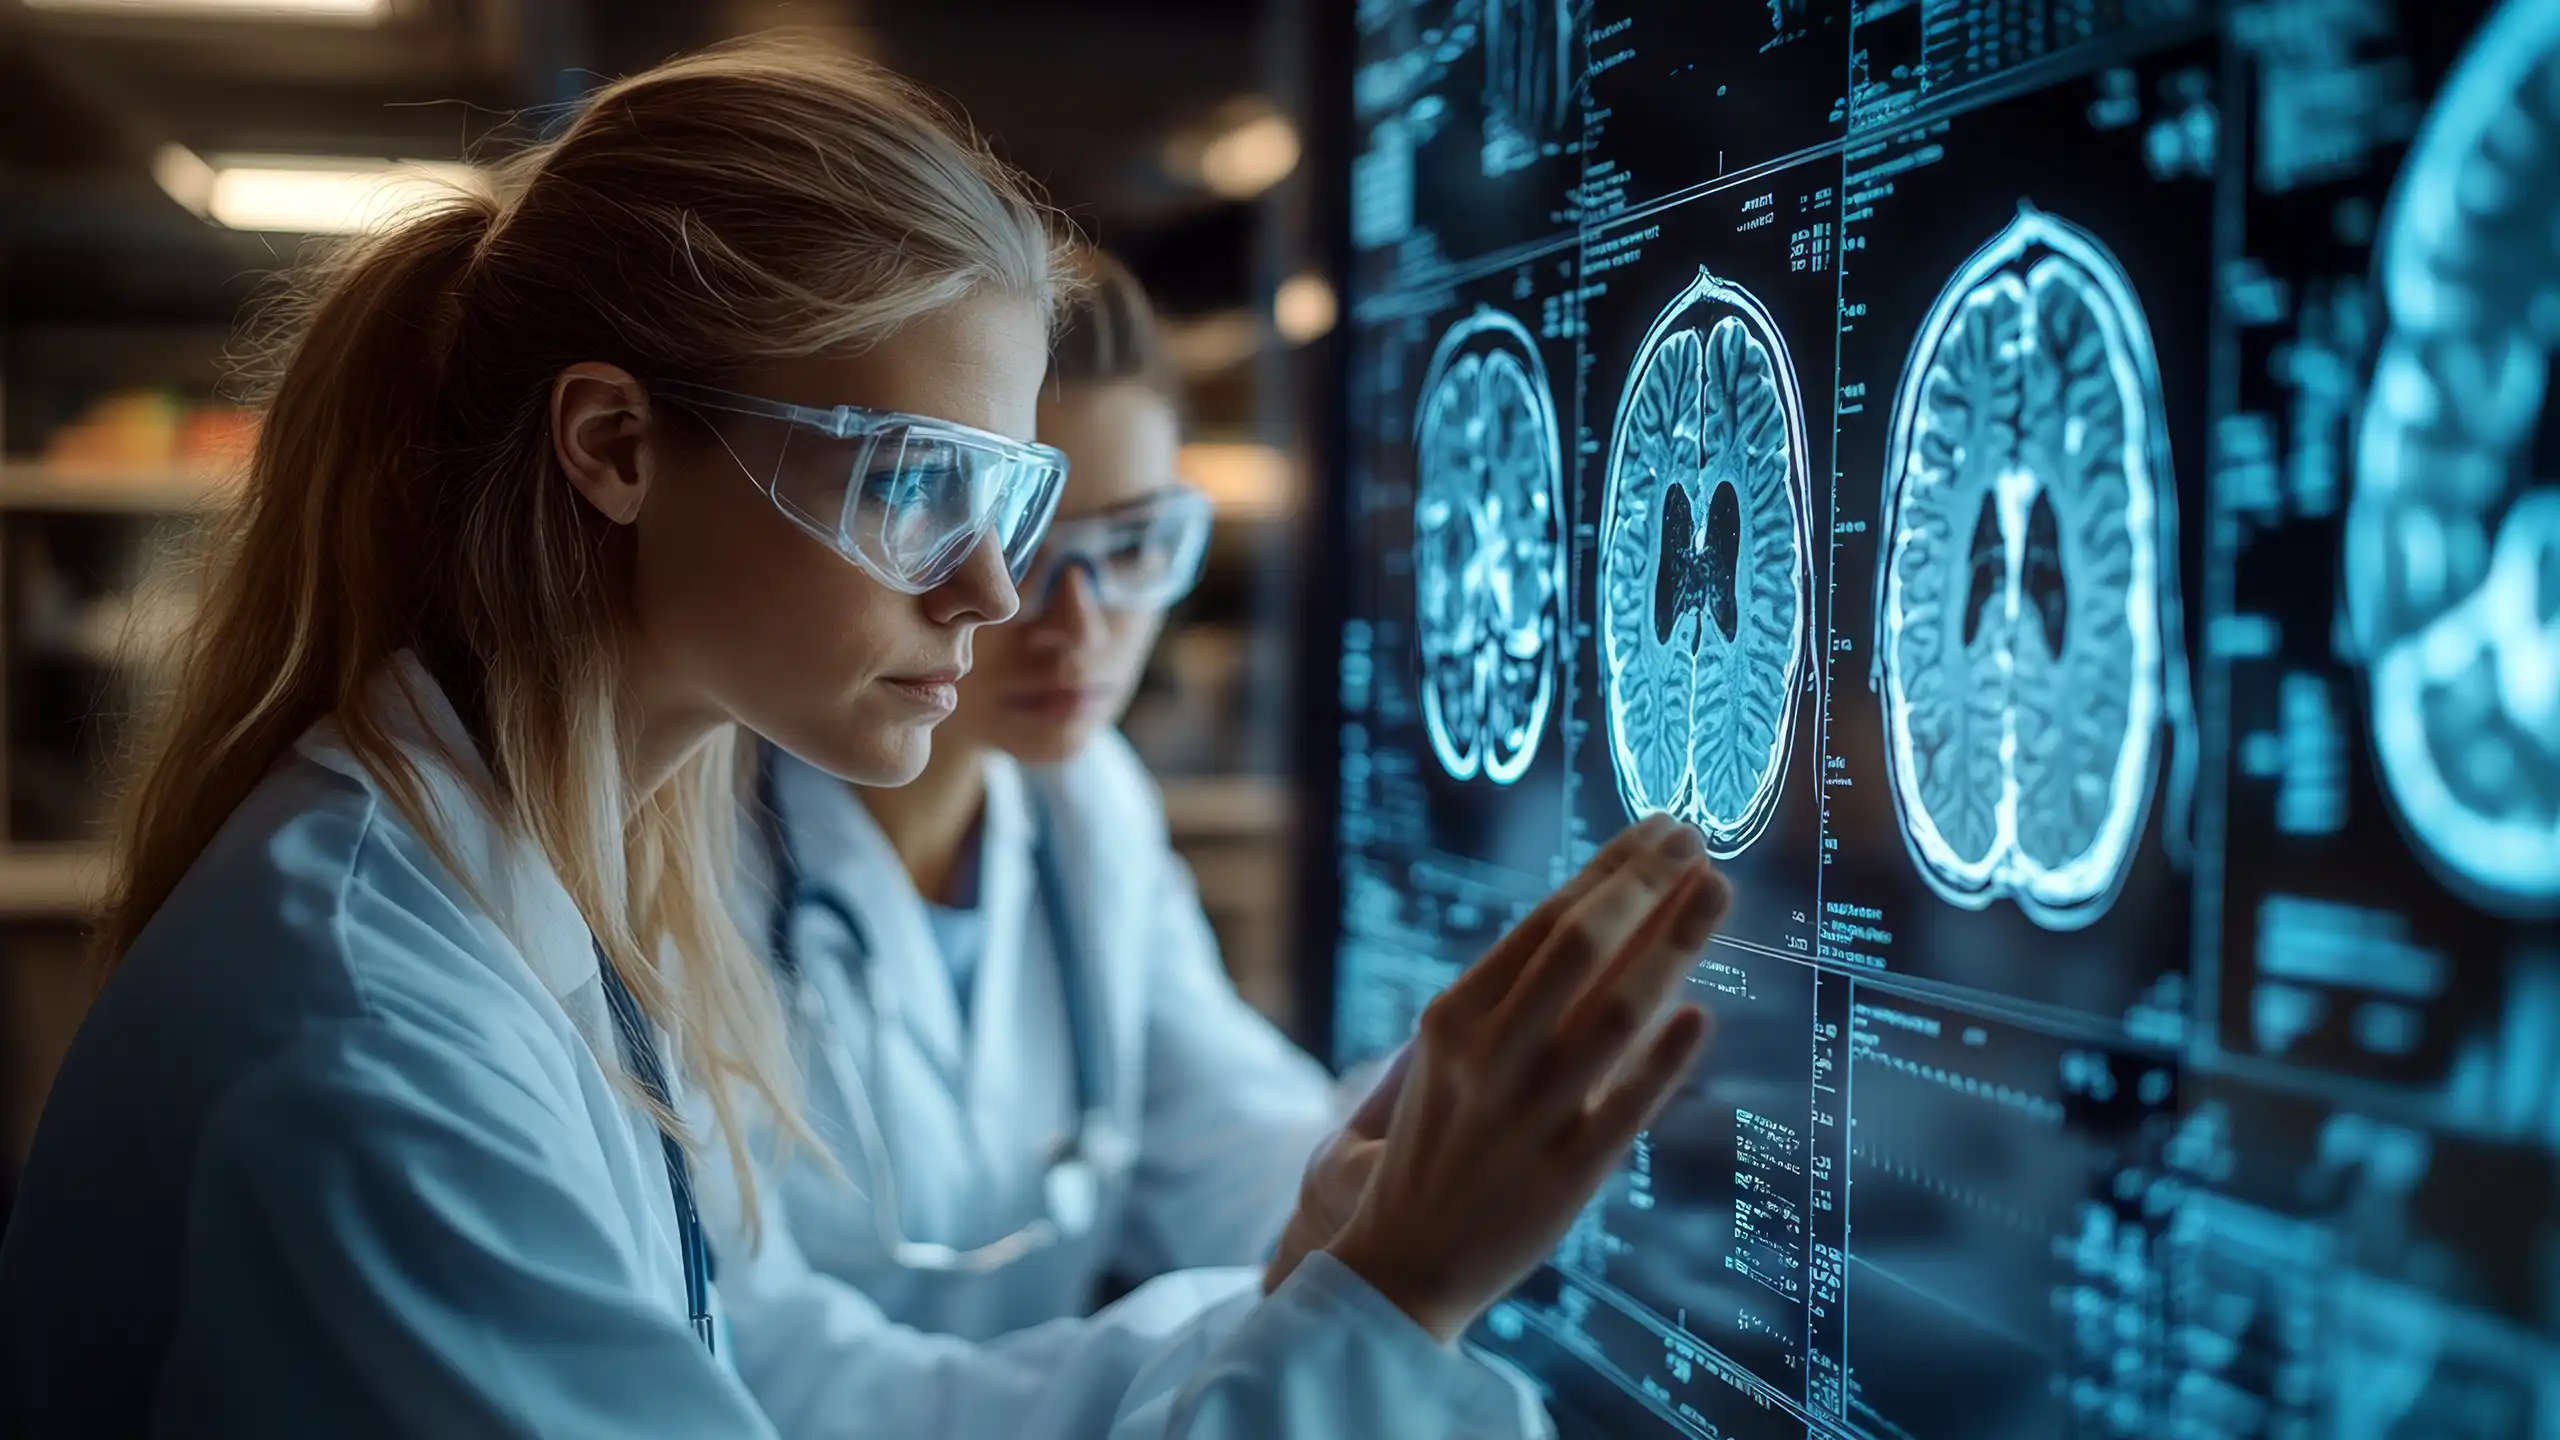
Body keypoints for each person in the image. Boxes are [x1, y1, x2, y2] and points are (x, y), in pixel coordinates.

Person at [0, 39, 1729, 1440]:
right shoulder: (368, 1039)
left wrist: (1342, 1260)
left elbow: (731, 1369)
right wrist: (1381, 1309)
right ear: (610, 446)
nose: (995, 592)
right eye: (912, 484)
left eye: (1012, 499)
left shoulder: (555, 885)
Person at [709, 252, 1359, 1436]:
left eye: (1131, 548)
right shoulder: (695, 841)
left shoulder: (1086, 804)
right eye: (1019, 535)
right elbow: (766, 1369)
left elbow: (1239, 1149)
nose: (1067, 624)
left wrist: (1428, 1146)